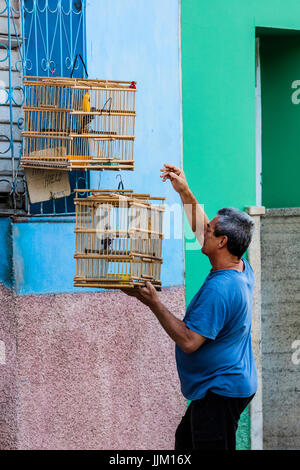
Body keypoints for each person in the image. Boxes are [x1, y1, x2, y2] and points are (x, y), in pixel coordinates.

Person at [122, 163, 257, 450]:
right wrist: (184, 189)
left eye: (210, 230)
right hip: (227, 382)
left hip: (221, 389)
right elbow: (201, 225)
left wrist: (154, 303)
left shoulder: (221, 289)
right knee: (185, 441)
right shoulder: (239, 265)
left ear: (222, 242)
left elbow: (189, 341)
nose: (203, 231)